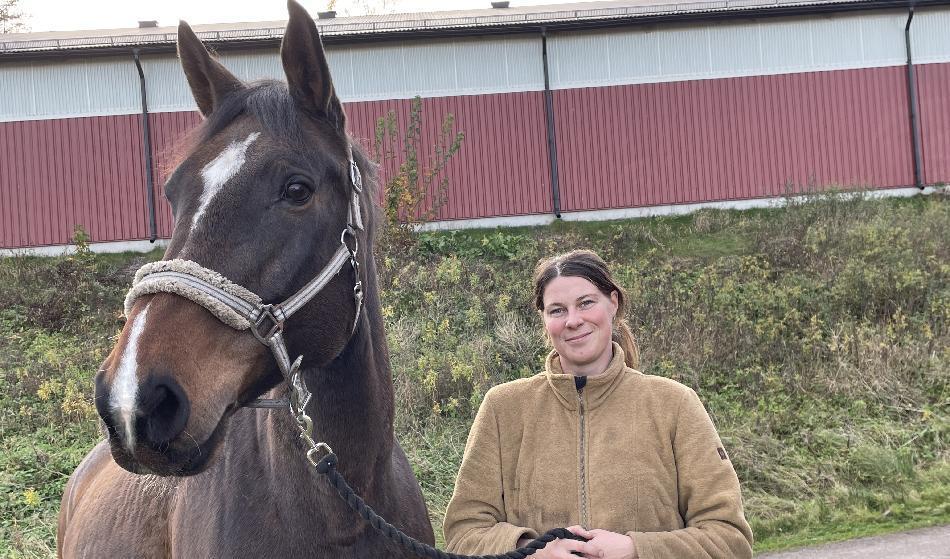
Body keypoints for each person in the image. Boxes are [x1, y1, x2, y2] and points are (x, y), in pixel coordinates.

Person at [443, 249, 753, 559]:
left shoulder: (674, 404)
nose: (573, 321)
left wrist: (636, 549)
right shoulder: (503, 409)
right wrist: (532, 552)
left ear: (613, 303)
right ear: (544, 319)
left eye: (586, 303)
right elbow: (464, 533)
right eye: (557, 310)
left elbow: (729, 539)